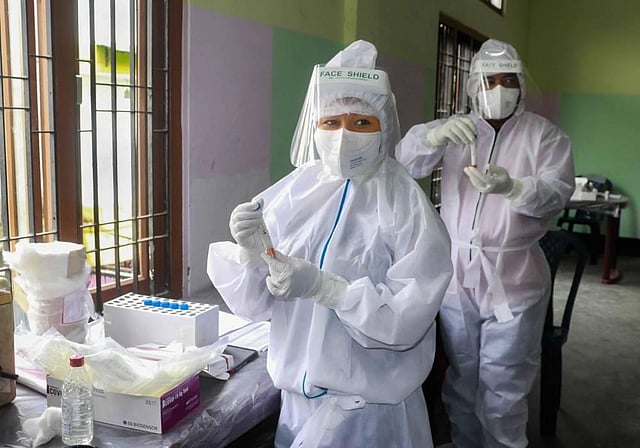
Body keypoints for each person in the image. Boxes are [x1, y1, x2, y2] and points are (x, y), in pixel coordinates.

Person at [207, 40, 453, 447]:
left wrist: (326, 288)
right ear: (315, 124)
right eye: (332, 121)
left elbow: (407, 320)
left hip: (371, 414)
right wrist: (253, 256)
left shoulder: (405, 203)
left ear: (383, 126)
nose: (343, 135)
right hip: (296, 405)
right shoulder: (295, 191)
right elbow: (257, 306)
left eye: (361, 122)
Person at [396, 39, 575, 448]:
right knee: (461, 380)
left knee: (503, 389)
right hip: (457, 276)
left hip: (514, 279)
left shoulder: (544, 137)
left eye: (508, 80)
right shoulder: (457, 130)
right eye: (489, 80)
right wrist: (434, 136)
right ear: (473, 85)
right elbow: (402, 165)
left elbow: (556, 193)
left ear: (521, 85)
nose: (498, 89)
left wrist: (514, 187)